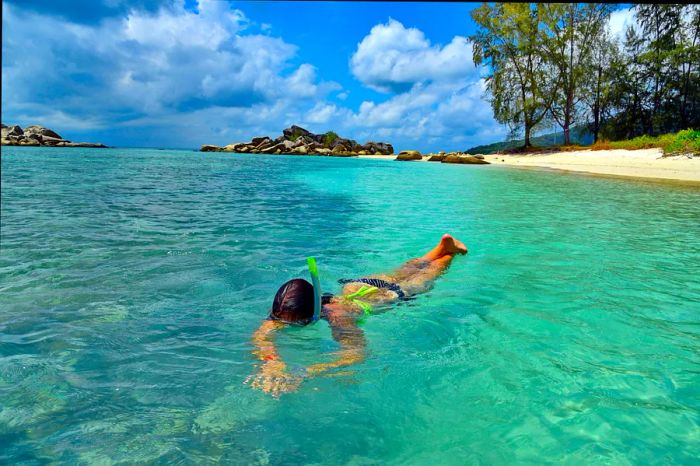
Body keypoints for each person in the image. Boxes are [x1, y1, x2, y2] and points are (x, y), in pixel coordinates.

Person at [247, 234, 468, 396]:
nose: (286, 324)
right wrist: (271, 361)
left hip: (387, 295)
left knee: (429, 275)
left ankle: (449, 253)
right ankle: (440, 246)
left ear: (312, 312)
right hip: (357, 286)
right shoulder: (289, 308)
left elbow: (357, 353)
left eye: (299, 323)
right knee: (403, 270)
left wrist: (306, 371)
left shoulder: (338, 317)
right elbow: (261, 336)